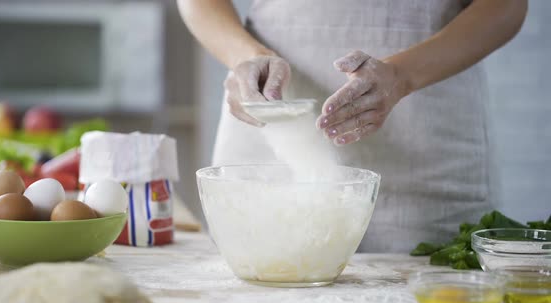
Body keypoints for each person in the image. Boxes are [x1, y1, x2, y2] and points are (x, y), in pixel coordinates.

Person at [178, 0, 527, 252]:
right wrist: (244, 56)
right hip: (273, 124)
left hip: (424, 135)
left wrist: (402, 75)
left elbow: (507, 6)